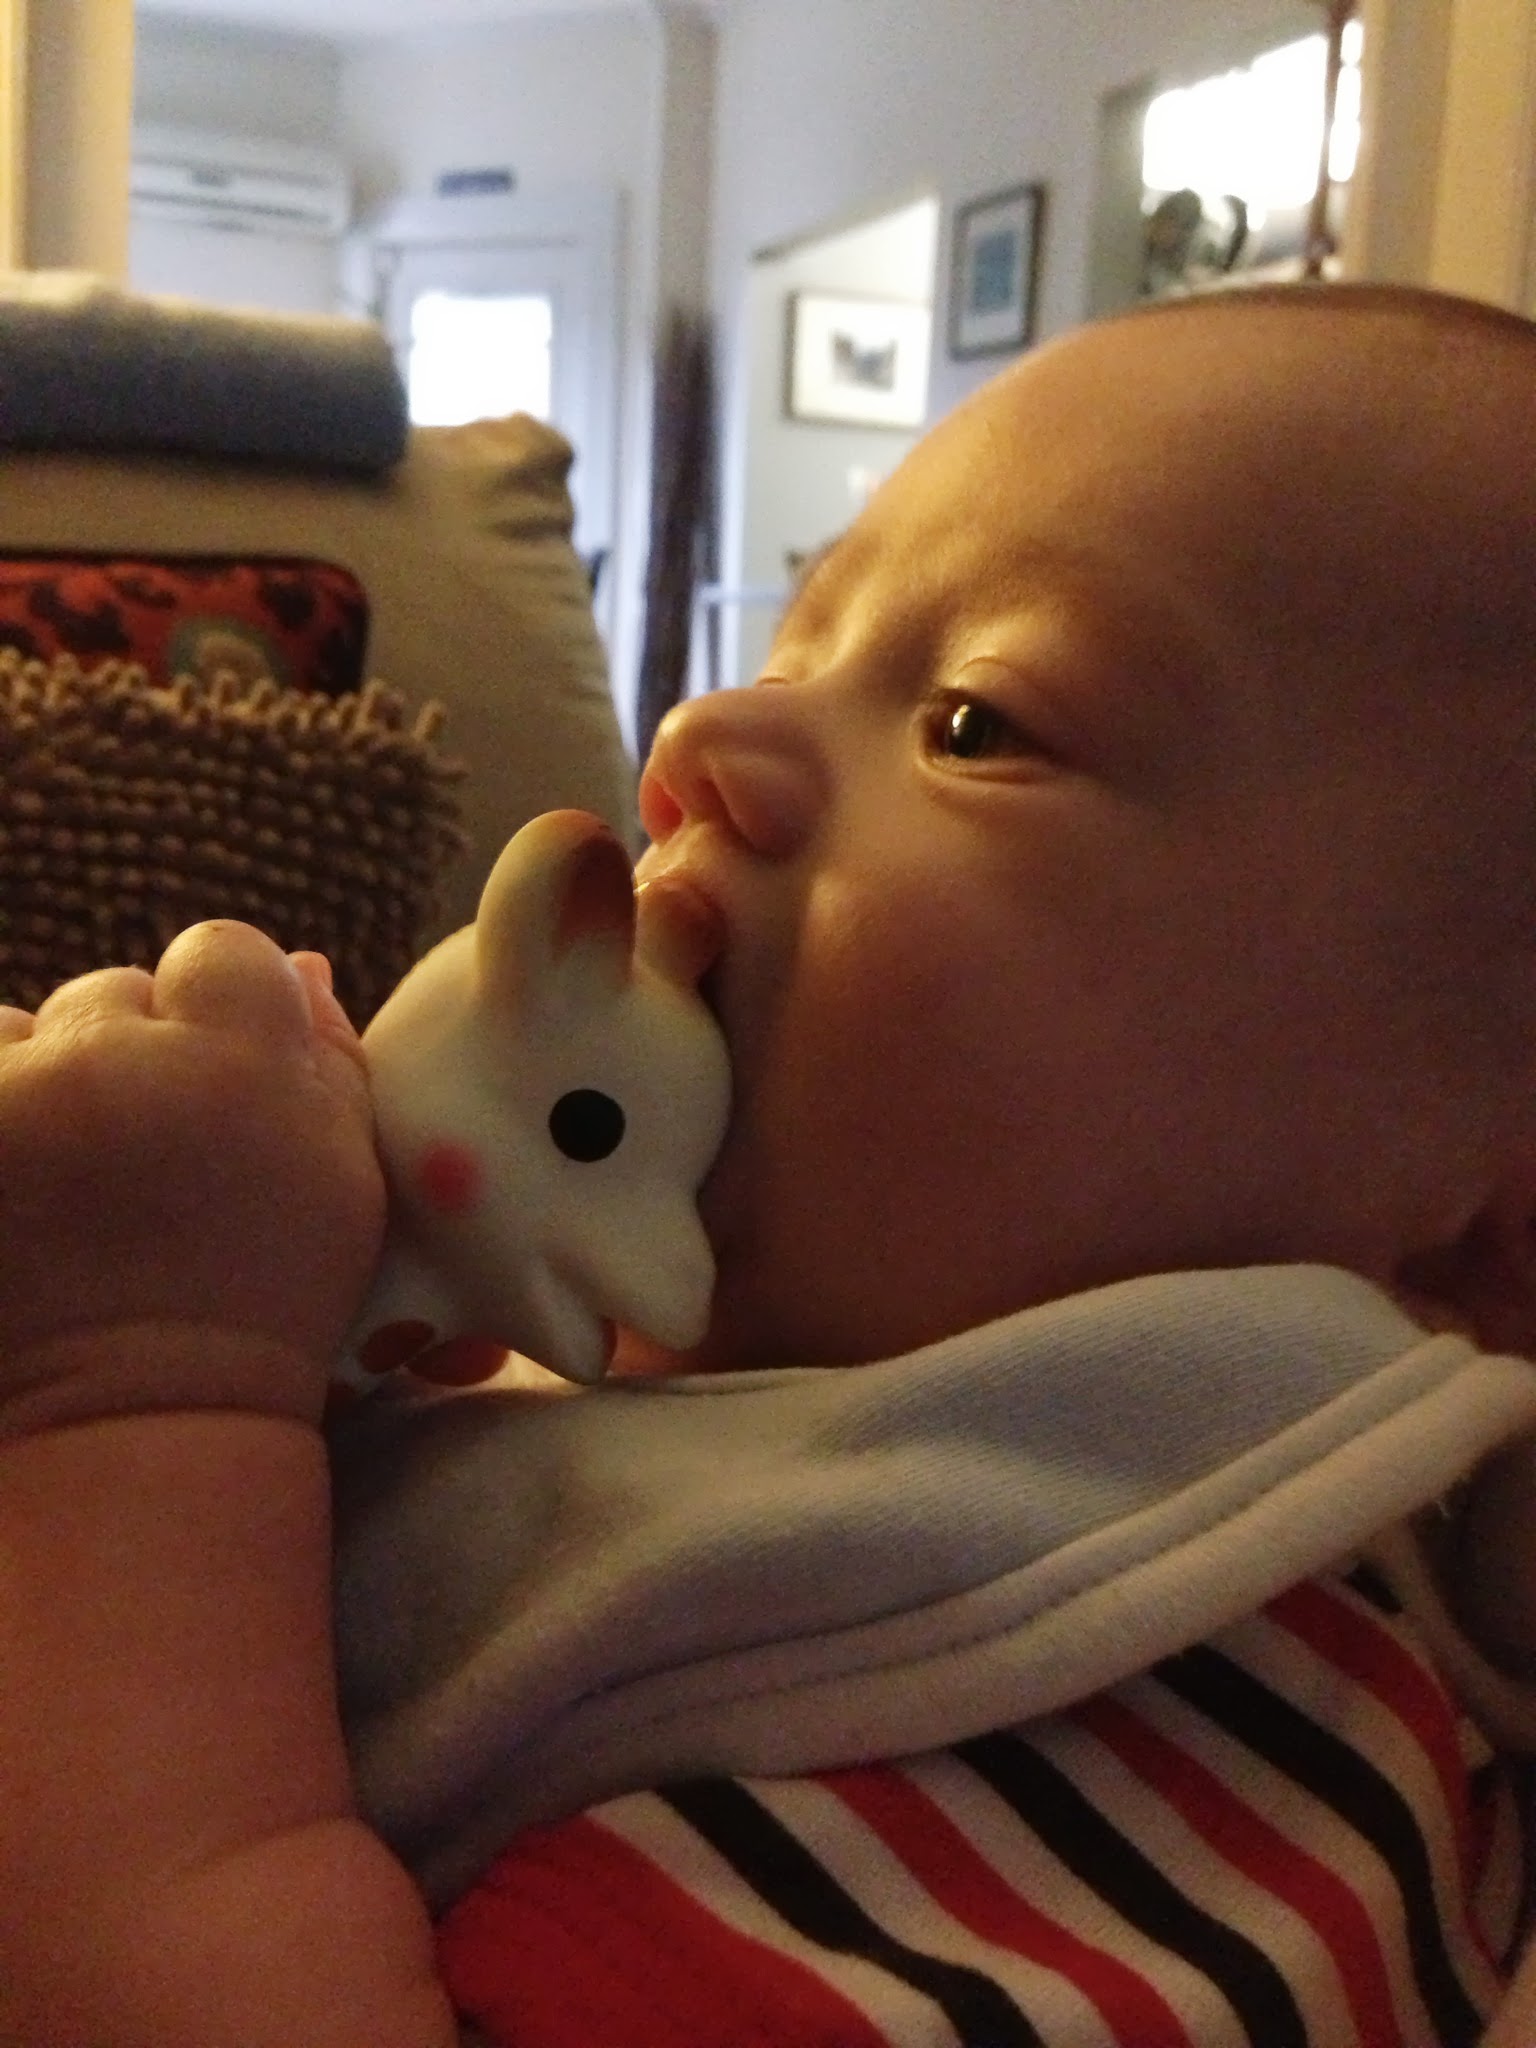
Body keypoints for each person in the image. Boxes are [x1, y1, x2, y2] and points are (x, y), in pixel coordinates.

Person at [4, 281, 1536, 2048]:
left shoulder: (1157, 1756)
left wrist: (134, 1409)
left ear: (1476, 1243)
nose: (696, 744)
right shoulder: (845, 1520)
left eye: (977, 723)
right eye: (793, 654)